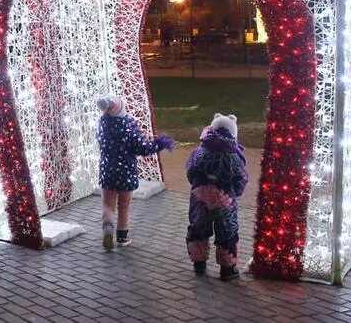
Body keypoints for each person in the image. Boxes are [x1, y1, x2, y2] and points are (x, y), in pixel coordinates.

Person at [95, 95, 175, 250]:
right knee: (124, 205)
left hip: (107, 170)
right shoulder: (128, 129)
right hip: (125, 172)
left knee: (107, 204)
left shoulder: (102, 125)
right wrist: (159, 144)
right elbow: (144, 148)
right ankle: (122, 237)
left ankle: (108, 230)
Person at [185, 112, 248, 280]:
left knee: (198, 228)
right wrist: (234, 192)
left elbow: (190, 171)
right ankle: (227, 269)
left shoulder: (200, 151)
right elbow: (241, 178)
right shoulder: (234, 155)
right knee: (227, 230)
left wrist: (199, 186)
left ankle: (199, 263)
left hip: (200, 197)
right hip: (225, 199)